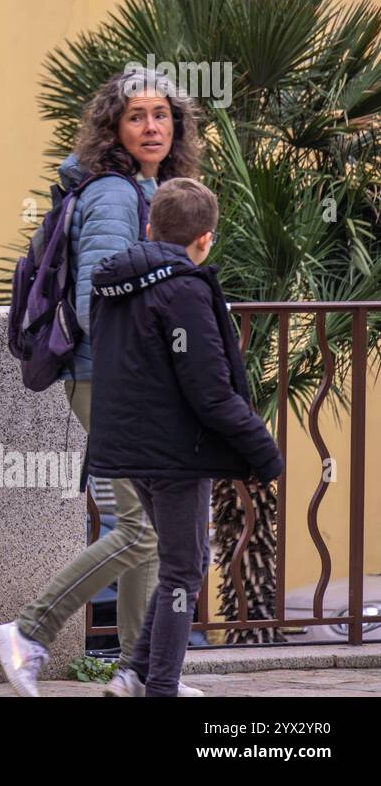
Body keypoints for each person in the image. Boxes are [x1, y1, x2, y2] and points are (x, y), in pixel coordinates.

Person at [0, 68, 204, 696]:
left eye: (162, 115)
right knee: (139, 530)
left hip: (120, 378)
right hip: (109, 378)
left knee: (149, 532)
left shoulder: (148, 188)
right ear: (113, 126)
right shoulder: (115, 195)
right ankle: (29, 631)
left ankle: (139, 673)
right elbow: (96, 302)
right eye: (136, 116)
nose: (152, 126)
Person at [86, 178, 283, 696]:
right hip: (175, 453)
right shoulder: (185, 291)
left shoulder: (113, 285)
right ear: (206, 239)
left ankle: (134, 674)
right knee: (181, 572)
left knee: (184, 561)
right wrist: (264, 453)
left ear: (150, 227)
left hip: (130, 447)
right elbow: (210, 390)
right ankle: (161, 687)